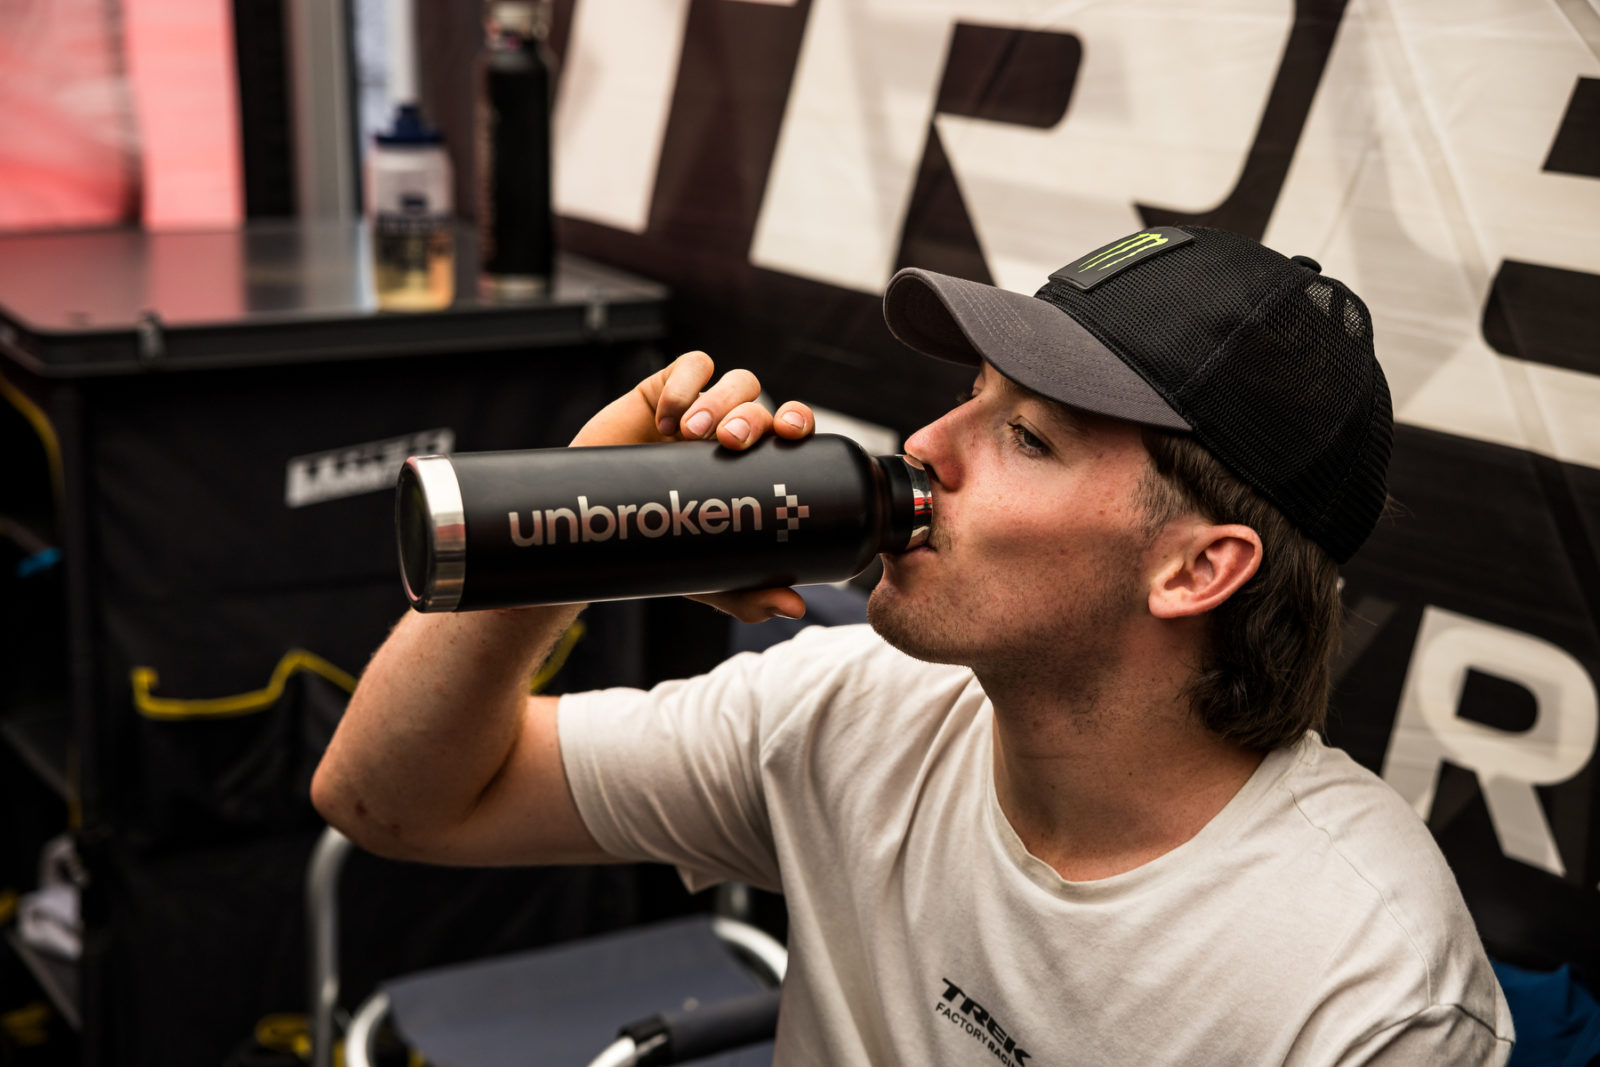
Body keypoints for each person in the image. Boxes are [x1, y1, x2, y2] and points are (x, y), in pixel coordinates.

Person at [313, 226, 1515, 1064]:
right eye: (973, 393)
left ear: (1196, 568)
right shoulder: (850, 709)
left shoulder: (1364, 986)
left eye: (1028, 437)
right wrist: (587, 520)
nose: (928, 444)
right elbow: (391, 797)